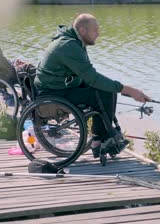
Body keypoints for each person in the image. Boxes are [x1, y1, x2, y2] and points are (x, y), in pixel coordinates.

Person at [34, 13, 151, 157]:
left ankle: (102, 137)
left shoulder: (73, 41)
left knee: (105, 90)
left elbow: (89, 77)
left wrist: (121, 89)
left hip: (57, 86)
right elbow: (92, 78)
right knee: (103, 92)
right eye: (95, 31)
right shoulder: (69, 45)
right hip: (53, 92)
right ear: (82, 30)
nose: (98, 34)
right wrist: (129, 90)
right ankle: (101, 139)